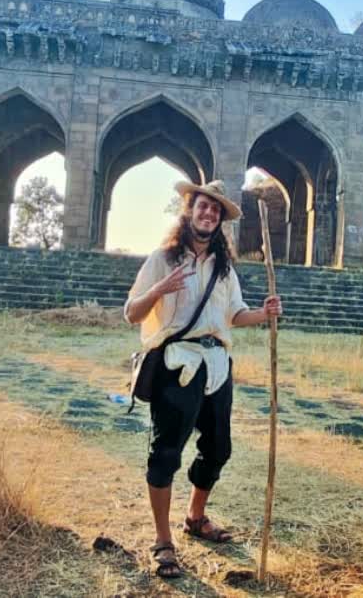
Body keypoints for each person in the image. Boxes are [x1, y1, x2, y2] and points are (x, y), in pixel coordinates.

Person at [124, 180, 283, 579]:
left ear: (220, 221)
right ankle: (163, 540)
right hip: (178, 363)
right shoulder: (163, 259)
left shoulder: (224, 268)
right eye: (202, 207)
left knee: (218, 449)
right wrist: (162, 287)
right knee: (166, 453)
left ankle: (195, 517)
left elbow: (234, 315)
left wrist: (263, 313)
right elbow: (132, 313)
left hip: (216, 366)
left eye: (216, 210)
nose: (208, 214)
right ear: (189, 211)